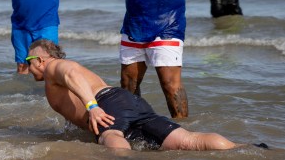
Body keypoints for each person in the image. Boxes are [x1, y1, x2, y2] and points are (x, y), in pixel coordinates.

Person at [26, 39, 248, 151]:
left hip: (106, 103)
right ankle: (245, 149)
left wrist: (92, 107)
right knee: (189, 141)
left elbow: (71, 71)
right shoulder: (53, 80)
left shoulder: (52, 68)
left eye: (28, 62)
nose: (27, 68)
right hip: (127, 102)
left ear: (40, 59)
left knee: (111, 137)